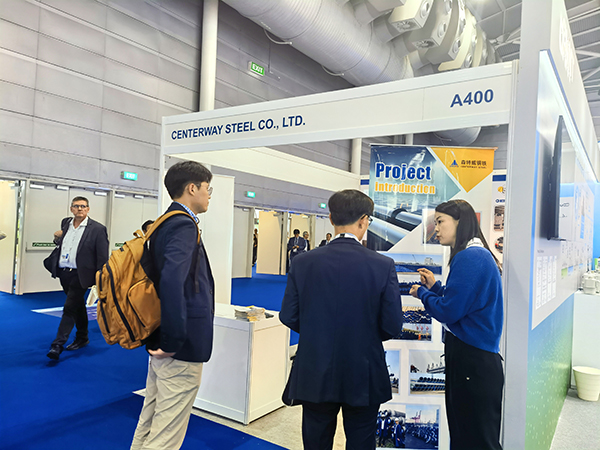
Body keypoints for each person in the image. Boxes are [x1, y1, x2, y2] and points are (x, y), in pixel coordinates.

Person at [280, 189, 403, 450]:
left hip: (315, 367)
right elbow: (392, 325)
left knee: (315, 440)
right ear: (364, 220)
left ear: (331, 218)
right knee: (361, 441)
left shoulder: (303, 262)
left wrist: (316, 331)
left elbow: (288, 315)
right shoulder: (382, 265)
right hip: (363, 370)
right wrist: (364, 335)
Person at [131, 161, 215, 450]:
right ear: (192, 188)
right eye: (207, 188)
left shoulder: (164, 222)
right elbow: (171, 281)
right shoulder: (182, 224)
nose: (208, 194)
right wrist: (173, 341)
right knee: (167, 433)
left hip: (162, 337)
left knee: (151, 419)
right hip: (179, 344)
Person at [409, 199, 503, 450]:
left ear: (460, 221)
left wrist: (422, 293)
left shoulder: (470, 257)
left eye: (440, 221)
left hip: (472, 360)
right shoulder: (476, 255)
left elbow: (449, 311)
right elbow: (462, 304)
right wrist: (436, 288)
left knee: (473, 438)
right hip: (474, 360)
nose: (436, 229)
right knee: (470, 435)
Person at [46, 196, 109, 360]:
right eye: (76, 206)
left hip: (81, 275)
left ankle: (57, 345)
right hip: (64, 272)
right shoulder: (66, 223)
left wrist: (100, 278)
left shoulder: (98, 229)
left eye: (83, 206)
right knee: (77, 305)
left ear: (88, 209)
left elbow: (102, 256)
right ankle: (82, 337)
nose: (80, 209)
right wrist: (56, 238)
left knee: (69, 307)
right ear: (71, 209)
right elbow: (62, 244)